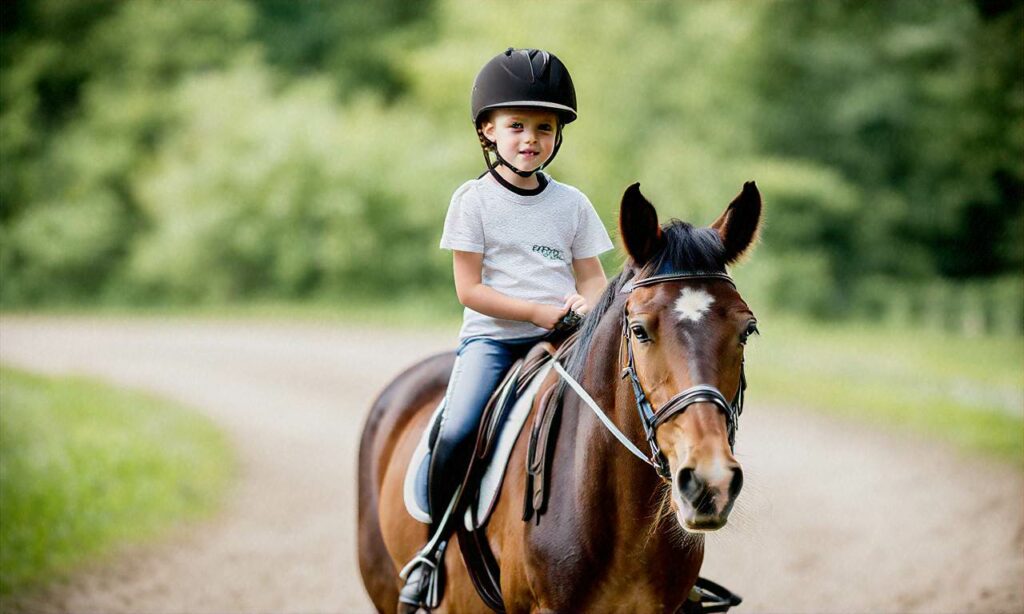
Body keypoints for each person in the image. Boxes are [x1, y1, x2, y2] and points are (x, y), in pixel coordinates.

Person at [398, 48, 613, 612]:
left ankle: (652, 561)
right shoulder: (472, 201)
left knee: (627, 422)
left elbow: (594, 280)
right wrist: (536, 311)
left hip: (566, 341)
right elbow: (469, 290)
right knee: (459, 427)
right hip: (494, 341)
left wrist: (581, 305)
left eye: (544, 128)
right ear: (487, 131)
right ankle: (431, 551)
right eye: (516, 125)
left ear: (557, 136)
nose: (530, 139)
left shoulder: (571, 205)